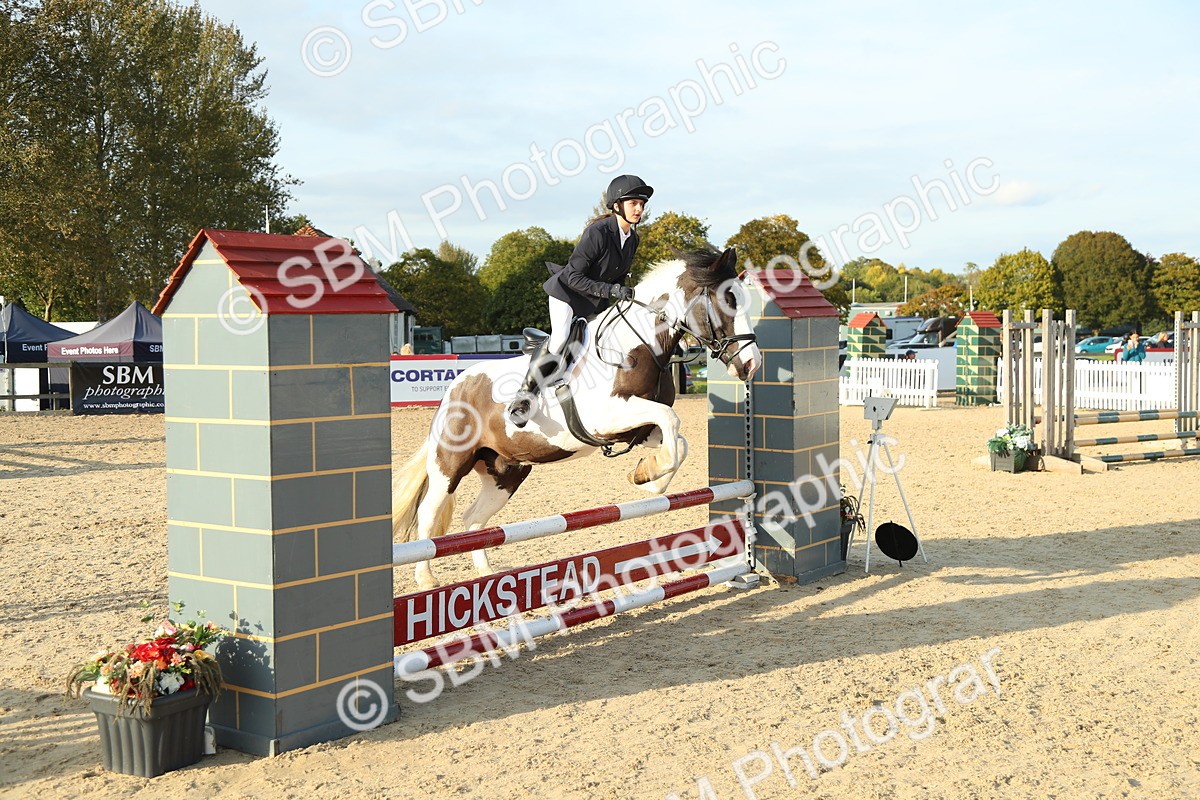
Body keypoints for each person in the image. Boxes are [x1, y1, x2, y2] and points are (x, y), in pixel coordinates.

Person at [507, 174, 653, 427]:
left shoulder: (633, 239)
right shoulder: (598, 233)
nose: (639, 209)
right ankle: (524, 396)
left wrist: (624, 295)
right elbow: (573, 276)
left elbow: (617, 277)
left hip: (594, 302)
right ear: (617, 205)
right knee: (562, 340)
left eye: (641, 204)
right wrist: (612, 290)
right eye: (633, 203)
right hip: (566, 294)